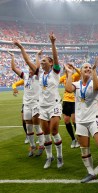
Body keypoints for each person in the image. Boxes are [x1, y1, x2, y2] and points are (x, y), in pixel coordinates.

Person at [13, 33, 64, 169]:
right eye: (41, 62)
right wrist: (20, 47)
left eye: (44, 61)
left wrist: (52, 43)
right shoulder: (39, 74)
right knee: (46, 134)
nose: (41, 63)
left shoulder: (55, 72)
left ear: (51, 63)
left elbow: (56, 57)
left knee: (54, 130)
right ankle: (49, 157)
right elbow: (27, 60)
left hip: (54, 105)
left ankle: (59, 156)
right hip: (42, 107)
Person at [64, 58, 98, 183]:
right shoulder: (77, 85)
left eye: (89, 67)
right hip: (81, 121)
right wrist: (69, 73)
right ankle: (90, 172)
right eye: (85, 68)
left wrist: (94, 71)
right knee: (84, 149)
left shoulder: (94, 81)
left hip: (94, 119)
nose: (88, 69)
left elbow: (97, 86)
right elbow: (68, 89)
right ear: (81, 71)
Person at [9, 50, 45, 157]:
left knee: (37, 126)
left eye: (31, 69)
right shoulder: (25, 76)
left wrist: (37, 56)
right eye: (29, 69)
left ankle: (42, 145)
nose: (29, 70)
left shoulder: (38, 77)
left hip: (36, 104)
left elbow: (37, 66)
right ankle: (32, 146)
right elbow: (14, 68)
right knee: (29, 127)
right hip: (26, 104)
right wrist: (12, 57)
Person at [59, 64, 81, 149]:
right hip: (66, 100)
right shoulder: (63, 77)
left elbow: (80, 73)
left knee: (74, 119)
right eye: (67, 68)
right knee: (66, 120)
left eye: (70, 68)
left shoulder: (74, 76)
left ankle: (79, 139)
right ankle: (73, 139)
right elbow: (55, 81)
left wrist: (74, 67)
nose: (69, 69)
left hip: (74, 100)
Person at [12, 79, 31, 144]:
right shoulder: (25, 79)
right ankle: (27, 135)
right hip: (25, 102)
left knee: (37, 120)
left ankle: (40, 136)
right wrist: (14, 88)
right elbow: (14, 84)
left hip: (36, 102)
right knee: (23, 119)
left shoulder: (38, 78)